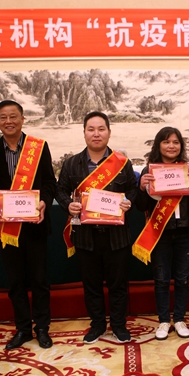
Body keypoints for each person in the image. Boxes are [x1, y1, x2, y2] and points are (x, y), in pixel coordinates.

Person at [0, 100, 57, 350]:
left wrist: (44, 202)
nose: (8, 121)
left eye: (13, 116)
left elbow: (49, 182)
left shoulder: (38, 147)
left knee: (39, 280)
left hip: (35, 225)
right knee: (16, 282)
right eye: (3, 117)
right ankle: (23, 329)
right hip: (7, 229)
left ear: (22, 119)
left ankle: (42, 328)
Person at [55, 111, 138, 344]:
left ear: (109, 132)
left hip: (116, 236)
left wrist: (128, 201)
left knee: (118, 285)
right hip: (86, 236)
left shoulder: (122, 163)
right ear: (84, 133)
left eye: (101, 129)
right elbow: (60, 190)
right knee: (91, 285)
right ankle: (98, 325)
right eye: (91, 129)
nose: (96, 134)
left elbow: (132, 189)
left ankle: (119, 325)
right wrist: (68, 204)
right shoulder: (72, 164)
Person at [134, 127, 189, 340]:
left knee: (182, 279)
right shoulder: (150, 170)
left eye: (175, 142)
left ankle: (180, 319)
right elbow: (140, 206)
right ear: (158, 145)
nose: (171, 146)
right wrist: (141, 188)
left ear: (181, 146)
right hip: (160, 232)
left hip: (186, 231)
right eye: (166, 142)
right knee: (161, 279)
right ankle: (164, 320)